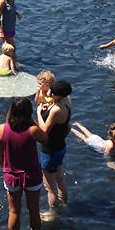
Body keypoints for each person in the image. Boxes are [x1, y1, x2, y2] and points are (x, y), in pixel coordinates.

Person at [0, 97, 47, 230]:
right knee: (34, 209)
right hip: (31, 176)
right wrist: (33, 120)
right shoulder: (33, 130)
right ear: (29, 113)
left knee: (14, 211)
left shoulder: (1, 129)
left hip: (11, 176)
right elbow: (45, 139)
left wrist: (4, 169)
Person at [36, 80, 72, 216]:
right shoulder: (66, 104)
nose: (49, 92)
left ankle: (53, 214)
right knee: (59, 178)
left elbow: (44, 130)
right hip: (60, 148)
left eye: (52, 91)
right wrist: (47, 106)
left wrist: (39, 112)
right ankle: (65, 202)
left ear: (59, 95)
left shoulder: (57, 110)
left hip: (50, 151)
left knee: (49, 187)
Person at [0, 0, 22, 66]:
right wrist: (1, 32)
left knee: (8, 49)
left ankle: (7, 63)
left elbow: (10, 10)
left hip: (12, 26)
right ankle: (14, 63)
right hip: (6, 28)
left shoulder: (12, 0)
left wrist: (17, 13)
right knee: (12, 48)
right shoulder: (2, 1)